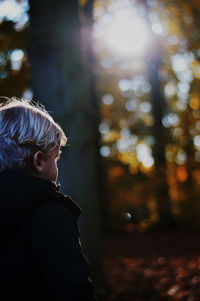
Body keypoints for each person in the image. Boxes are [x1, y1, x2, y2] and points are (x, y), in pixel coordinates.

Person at [0, 97, 97, 300]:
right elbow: (73, 287)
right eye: (56, 158)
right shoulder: (49, 213)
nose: (57, 166)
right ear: (39, 161)